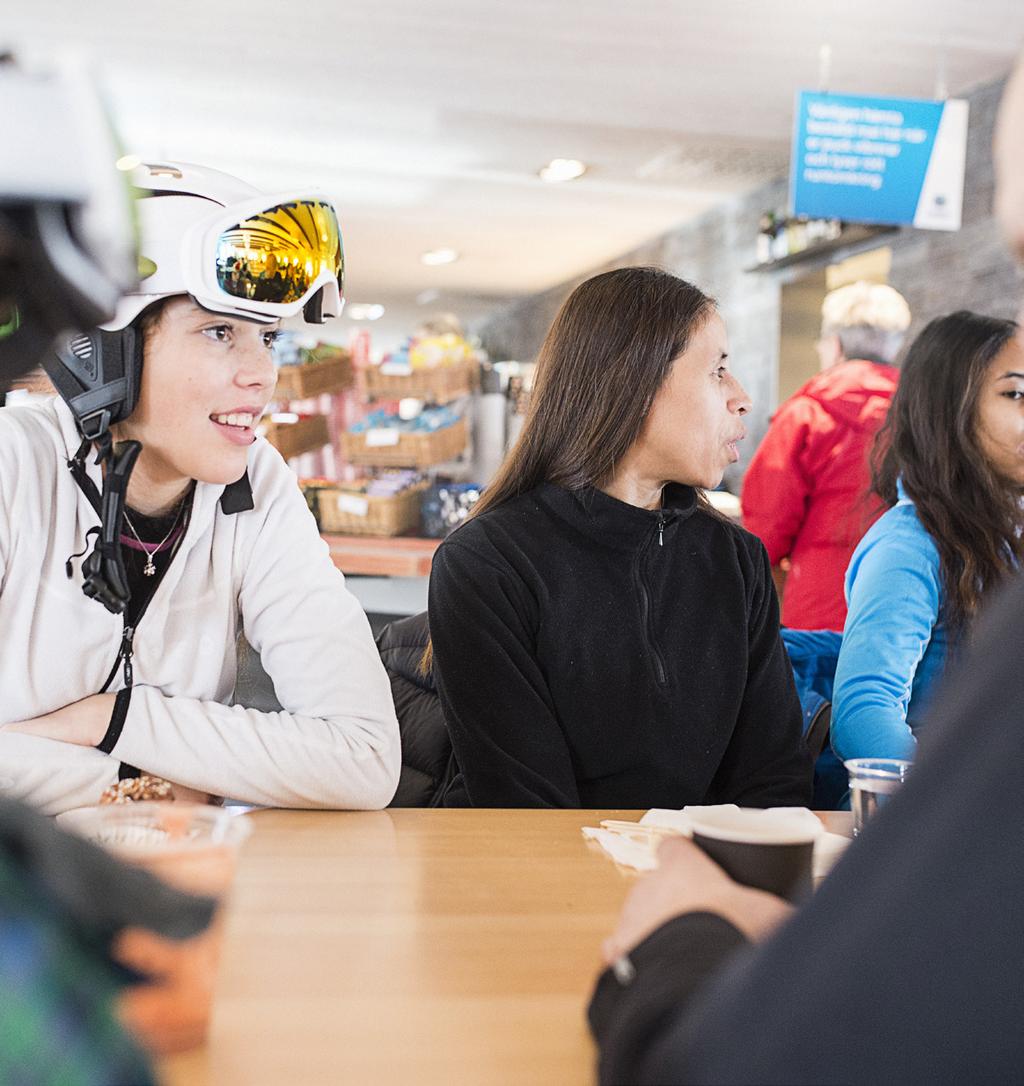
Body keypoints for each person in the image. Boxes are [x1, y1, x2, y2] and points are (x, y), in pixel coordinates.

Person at [588, 50, 1024, 1085]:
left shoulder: (813, 420)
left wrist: (755, 568)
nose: (736, 397)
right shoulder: (925, 538)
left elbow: (771, 523)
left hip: (814, 631)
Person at [0, 161, 400, 815]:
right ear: (100, 351)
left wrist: (114, 719)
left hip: (168, 893)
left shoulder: (259, 483)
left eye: (268, 337)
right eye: (221, 333)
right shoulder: (12, 466)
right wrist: (143, 787)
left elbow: (362, 759)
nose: (264, 374)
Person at [427, 266, 811, 809]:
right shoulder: (487, 565)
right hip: (541, 884)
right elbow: (526, 813)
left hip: (700, 883)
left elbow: (773, 783)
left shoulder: (736, 560)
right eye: (718, 371)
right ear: (635, 381)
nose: (743, 398)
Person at [831, 310, 1023, 762]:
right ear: (950, 409)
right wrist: (946, 813)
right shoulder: (911, 546)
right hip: (939, 812)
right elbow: (864, 714)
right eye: (1014, 394)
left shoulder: (1006, 535)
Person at [741, 281, 911, 630]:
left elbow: (768, 523)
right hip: (906, 601)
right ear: (895, 346)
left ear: (834, 345)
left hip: (820, 606)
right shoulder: (925, 416)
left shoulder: (805, 413)